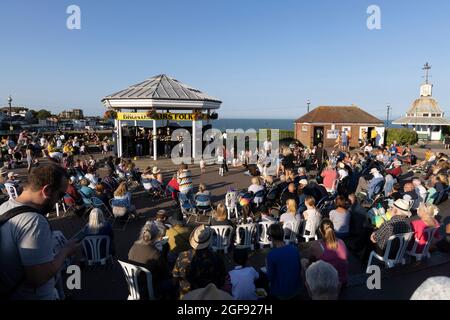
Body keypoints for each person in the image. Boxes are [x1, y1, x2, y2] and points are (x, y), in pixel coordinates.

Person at [0, 164, 78, 300]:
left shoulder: (4, 207)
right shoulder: (34, 222)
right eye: (60, 194)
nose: (59, 200)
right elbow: (38, 277)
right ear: (47, 190)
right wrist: (65, 251)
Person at [128, 222, 171, 299]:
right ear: (156, 236)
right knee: (172, 281)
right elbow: (165, 273)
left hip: (133, 285)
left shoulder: (133, 246)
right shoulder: (155, 253)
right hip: (149, 288)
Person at [173, 225, 214, 299]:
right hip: (208, 295)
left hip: (186, 294)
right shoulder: (215, 258)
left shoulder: (182, 255)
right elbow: (221, 280)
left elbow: (175, 276)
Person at [306, 219, 348, 285]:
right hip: (342, 281)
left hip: (327, 285)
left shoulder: (317, 246)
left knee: (304, 262)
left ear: (320, 231)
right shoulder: (341, 242)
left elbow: (310, 263)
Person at [266, 223, 303, 299]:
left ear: (271, 238)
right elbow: (299, 268)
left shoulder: (271, 255)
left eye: (269, 237)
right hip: (296, 289)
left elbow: (270, 277)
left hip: (281, 293)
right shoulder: (294, 249)